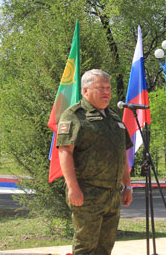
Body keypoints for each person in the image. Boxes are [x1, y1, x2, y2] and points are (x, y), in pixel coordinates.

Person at [56, 69, 133, 255]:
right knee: (86, 245)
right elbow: (65, 152)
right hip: (87, 192)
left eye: (108, 88)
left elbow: (121, 153)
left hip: (112, 193)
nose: (106, 92)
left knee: (105, 246)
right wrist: (73, 188)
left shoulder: (114, 118)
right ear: (85, 91)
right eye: (100, 88)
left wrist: (127, 185)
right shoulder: (74, 116)